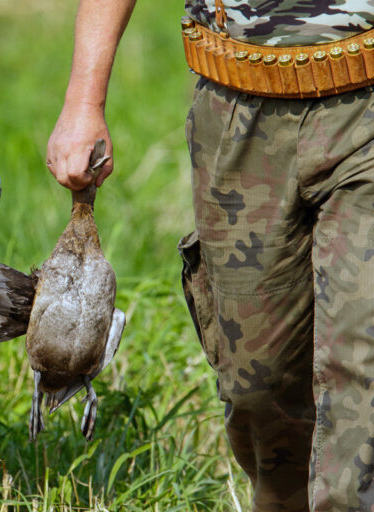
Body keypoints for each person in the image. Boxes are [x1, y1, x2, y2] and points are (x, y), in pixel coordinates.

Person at [48, 0, 374, 510]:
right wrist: (84, 100)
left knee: (362, 370)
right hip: (238, 107)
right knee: (258, 390)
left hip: (368, 107)